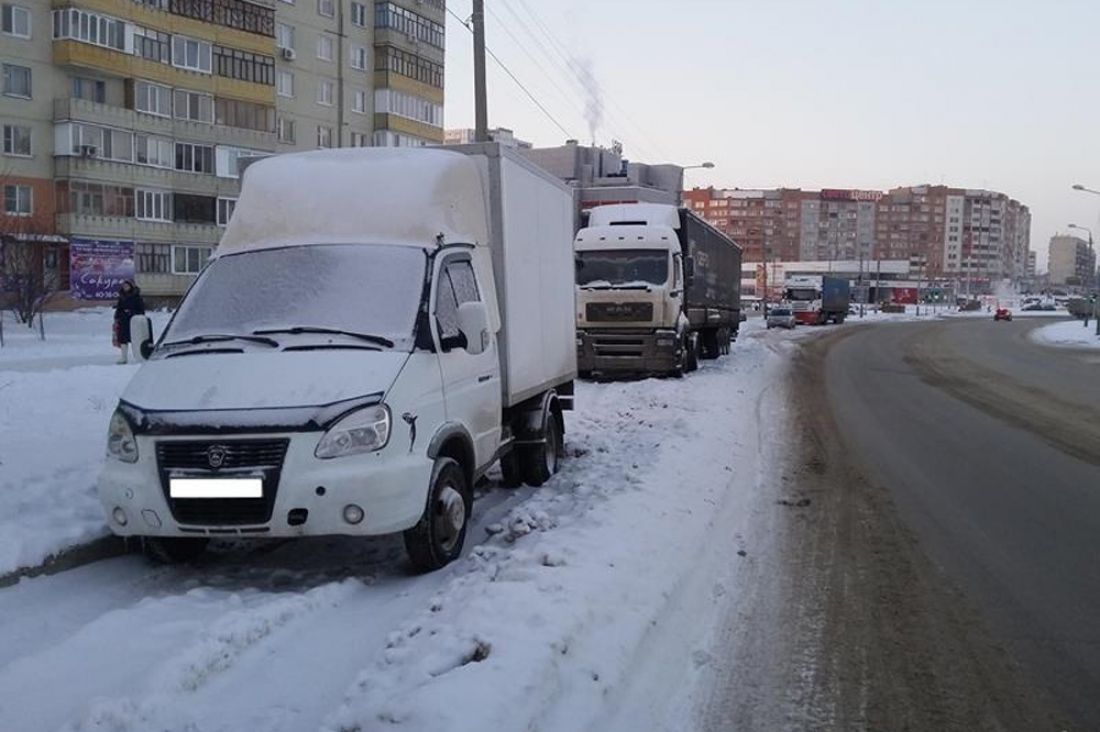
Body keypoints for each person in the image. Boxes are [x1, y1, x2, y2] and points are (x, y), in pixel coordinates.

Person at [113, 280, 145, 364]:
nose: (125, 287)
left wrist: (131, 312)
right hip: (123, 321)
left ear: (131, 286)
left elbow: (141, 310)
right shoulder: (122, 296)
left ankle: (139, 356)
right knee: (123, 339)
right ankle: (124, 358)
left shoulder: (137, 297)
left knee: (135, 339)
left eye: (127, 286)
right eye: (124, 286)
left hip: (133, 322)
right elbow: (119, 308)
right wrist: (117, 317)